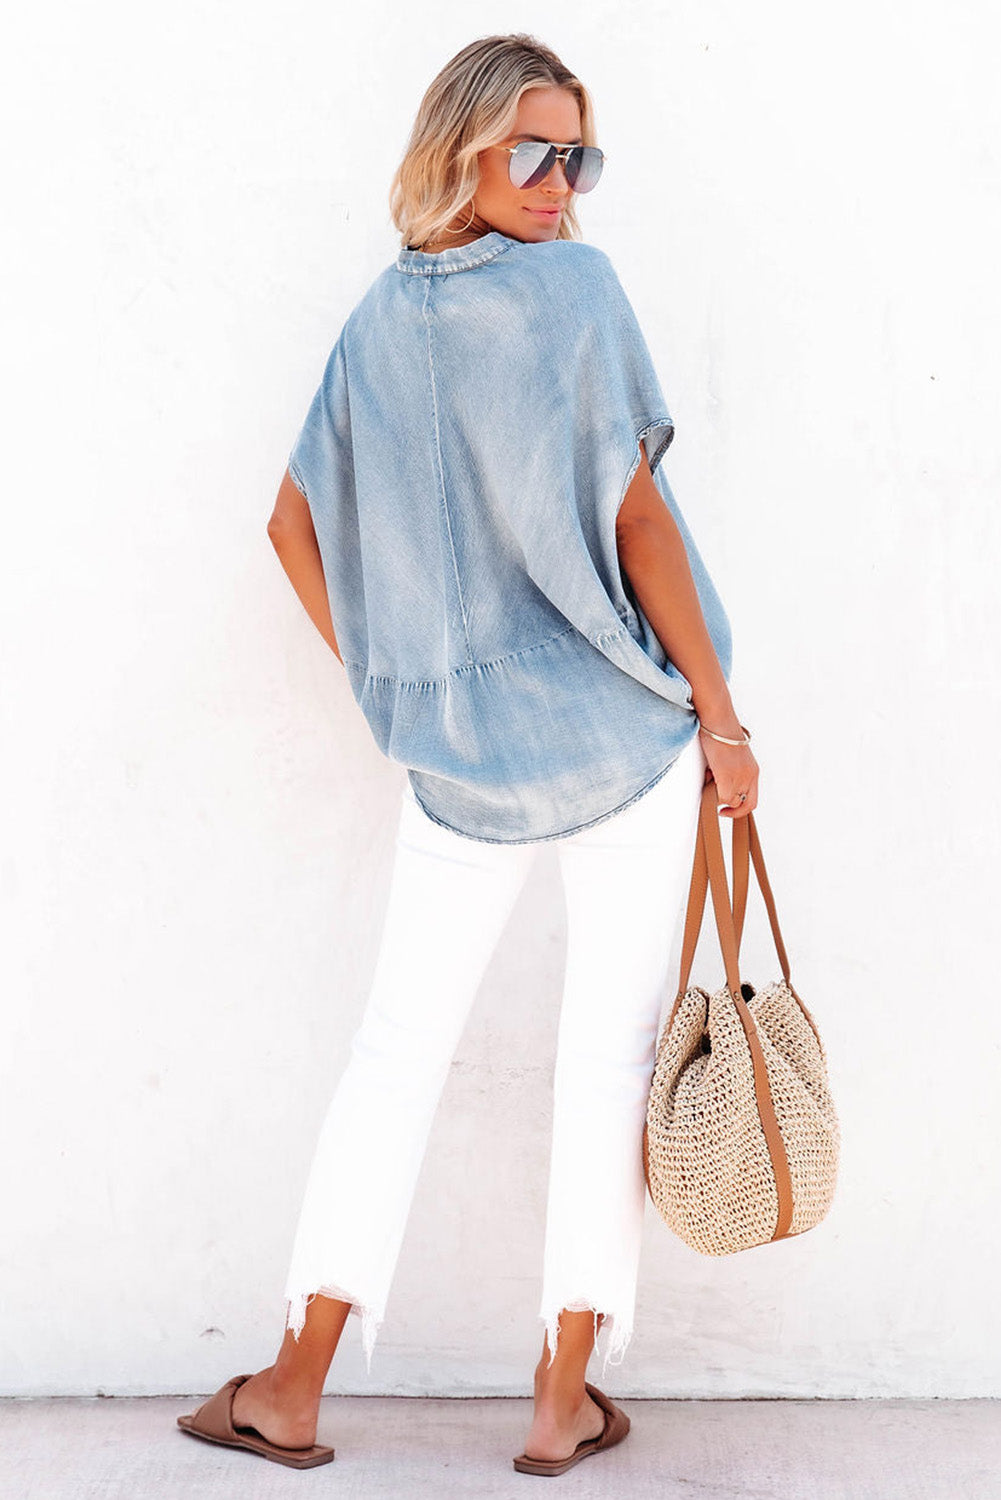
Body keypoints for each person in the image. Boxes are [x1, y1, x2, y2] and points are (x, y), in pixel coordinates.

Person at [176, 31, 759, 1478]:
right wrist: (721, 715)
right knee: (606, 1057)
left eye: (580, 157)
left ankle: (290, 1388)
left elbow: (290, 523)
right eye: (535, 152)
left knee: (394, 1053)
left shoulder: (379, 322)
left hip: (460, 763)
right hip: (623, 739)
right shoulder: (578, 296)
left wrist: (397, 689)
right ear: (462, 152)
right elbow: (637, 518)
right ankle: (561, 1402)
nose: (562, 184)